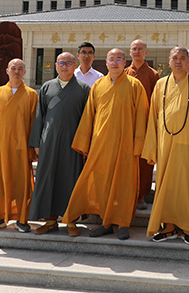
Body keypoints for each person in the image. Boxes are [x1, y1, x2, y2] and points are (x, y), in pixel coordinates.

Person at [62, 48, 149, 240]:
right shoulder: (98, 85)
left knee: (124, 185)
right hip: (101, 144)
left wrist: (138, 145)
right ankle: (106, 222)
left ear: (125, 63)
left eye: (119, 59)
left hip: (126, 145)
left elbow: (142, 117)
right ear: (106, 62)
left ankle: (123, 223)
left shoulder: (135, 86)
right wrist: (85, 144)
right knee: (103, 184)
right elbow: (88, 116)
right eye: (112, 59)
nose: (115, 62)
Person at [142, 46, 189, 245]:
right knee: (166, 185)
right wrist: (152, 147)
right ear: (169, 61)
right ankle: (168, 227)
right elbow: (153, 116)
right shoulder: (161, 84)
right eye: (175, 58)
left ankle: (187, 226)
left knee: (187, 186)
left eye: (183, 58)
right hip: (165, 144)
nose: (179, 61)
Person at [28, 52, 90, 236]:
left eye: (68, 63)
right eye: (61, 63)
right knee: (48, 179)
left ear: (74, 65)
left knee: (70, 180)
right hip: (49, 142)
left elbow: (87, 119)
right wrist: (37, 142)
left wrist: (85, 144)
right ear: (56, 65)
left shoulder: (83, 88)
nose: (64, 66)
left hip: (73, 143)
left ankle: (70, 220)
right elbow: (39, 116)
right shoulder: (47, 87)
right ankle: (50, 220)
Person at [0, 58, 39, 233]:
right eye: (13, 68)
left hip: (22, 145)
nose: (17, 71)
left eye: (20, 69)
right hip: (2, 145)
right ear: (7, 71)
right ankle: (0, 218)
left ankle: (22, 219)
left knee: (22, 183)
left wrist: (34, 148)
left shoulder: (31, 94)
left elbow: (35, 123)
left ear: (25, 72)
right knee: (1, 182)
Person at [125, 39, 160, 210]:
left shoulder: (153, 75)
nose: (137, 51)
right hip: (126, 124)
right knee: (127, 160)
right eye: (134, 49)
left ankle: (141, 195)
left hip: (146, 125)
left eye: (140, 49)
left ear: (146, 52)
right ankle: (127, 192)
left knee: (144, 161)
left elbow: (156, 101)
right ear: (130, 52)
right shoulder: (124, 73)